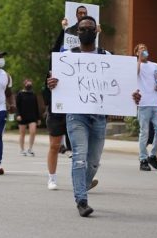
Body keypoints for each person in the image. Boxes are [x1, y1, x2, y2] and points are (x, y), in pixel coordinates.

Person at [47, 16, 109, 217]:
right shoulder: (67, 56)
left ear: (96, 31)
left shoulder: (106, 56)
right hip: (76, 116)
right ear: (77, 33)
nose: (85, 32)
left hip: (99, 116)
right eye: (81, 29)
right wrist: (52, 84)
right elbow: (56, 83)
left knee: (93, 162)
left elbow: (119, 84)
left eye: (89, 28)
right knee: (79, 159)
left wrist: (132, 95)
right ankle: (81, 200)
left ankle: (83, 183)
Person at [134, 43, 157, 171]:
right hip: (143, 103)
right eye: (141, 49)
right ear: (136, 52)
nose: (144, 51)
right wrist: (139, 59)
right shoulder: (135, 64)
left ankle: (152, 155)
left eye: (145, 49)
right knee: (144, 132)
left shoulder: (155, 65)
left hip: (155, 103)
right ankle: (143, 159)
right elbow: (134, 73)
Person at [42, 72, 65, 190]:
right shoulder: (54, 68)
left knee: (80, 148)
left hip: (77, 112)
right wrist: (49, 85)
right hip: (57, 112)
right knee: (54, 146)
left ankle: (84, 179)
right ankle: (52, 178)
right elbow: (45, 94)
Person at [16, 78, 39, 157]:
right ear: (24, 84)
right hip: (22, 116)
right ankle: (22, 149)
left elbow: (36, 106)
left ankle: (30, 149)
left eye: (30, 84)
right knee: (22, 133)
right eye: (27, 84)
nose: (29, 85)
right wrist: (18, 115)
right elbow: (17, 105)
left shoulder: (33, 94)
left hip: (32, 116)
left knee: (33, 132)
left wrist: (38, 118)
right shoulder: (20, 94)